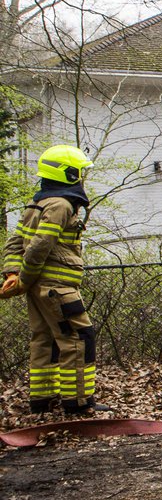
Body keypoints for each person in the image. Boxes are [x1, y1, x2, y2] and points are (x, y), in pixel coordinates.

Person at [1, 145, 99, 415]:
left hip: (39, 289)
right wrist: (22, 279)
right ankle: (78, 402)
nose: (81, 176)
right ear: (68, 173)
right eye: (79, 171)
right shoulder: (60, 205)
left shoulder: (36, 204)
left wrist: (12, 274)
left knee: (45, 340)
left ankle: (42, 401)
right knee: (79, 338)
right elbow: (39, 246)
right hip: (57, 288)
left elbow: (14, 243)